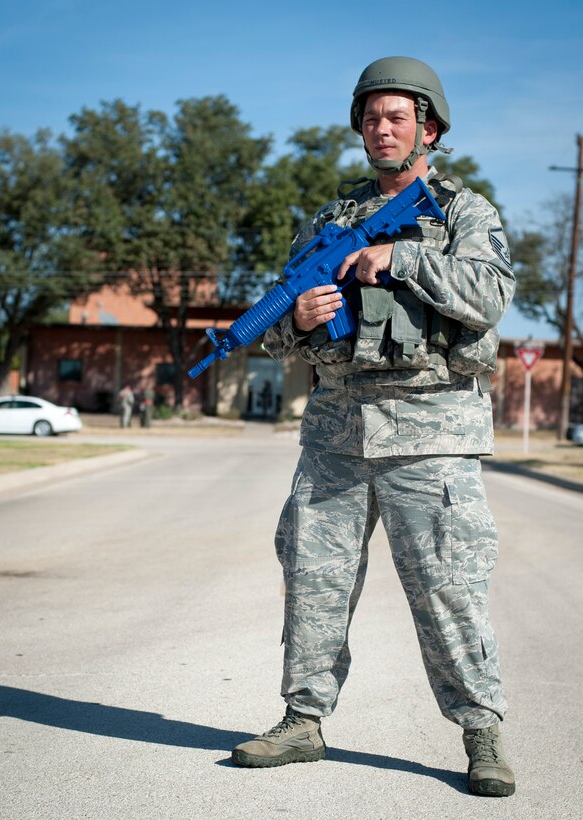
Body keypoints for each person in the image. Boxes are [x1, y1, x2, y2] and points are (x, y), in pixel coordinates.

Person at [231, 57, 516, 798]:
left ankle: (481, 731)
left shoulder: (464, 213)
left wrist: (404, 258)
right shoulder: (331, 220)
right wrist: (295, 321)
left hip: (430, 429)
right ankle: (301, 720)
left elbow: (486, 298)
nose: (380, 129)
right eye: (369, 118)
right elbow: (281, 339)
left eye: (394, 117)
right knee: (313, 580)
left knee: (449, 588)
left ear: (429, 126)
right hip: (335, 431)